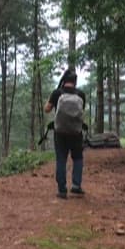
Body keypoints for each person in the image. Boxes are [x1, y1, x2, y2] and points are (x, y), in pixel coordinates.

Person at [44, 68, 86, 199]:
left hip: (60, 132)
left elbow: (47, 109)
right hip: (76, 132)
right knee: (78, 158)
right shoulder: (80, 95)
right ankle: (76, 186)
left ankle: (62, 190)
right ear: (75, 81)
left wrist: (52, 98)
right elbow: (80, 111)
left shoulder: (57, 93)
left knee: (61, 159)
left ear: (63, 80)